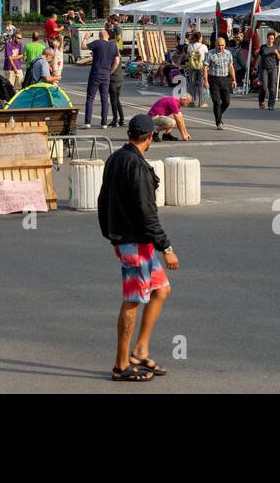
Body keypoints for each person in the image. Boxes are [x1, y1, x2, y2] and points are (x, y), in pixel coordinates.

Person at [98, 114, 178, 382]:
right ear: (149, 137)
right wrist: (166, 247)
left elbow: (103, 199)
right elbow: (147, 213)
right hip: (136, 243)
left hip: (130, 240)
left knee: (161, 290)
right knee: (132, 303)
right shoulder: (138, 167)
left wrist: (111, 236)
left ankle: (140, 350)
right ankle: (121, 365)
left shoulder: (115, 158)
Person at [84, 28, 120, 128]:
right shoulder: (113, 45)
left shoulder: (97, 43)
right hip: (106, 75)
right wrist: (110, 72)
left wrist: (85, 38)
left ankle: (88, 122)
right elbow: (117, 61)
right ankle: (104, 123)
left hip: (95, 73)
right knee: (104, 99)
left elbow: (83, 47)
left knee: (90, 98)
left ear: (102, 35)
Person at [206, 36, 237, 130]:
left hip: (224, 79)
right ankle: (219, 122)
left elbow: (230, 66)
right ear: (216, 44)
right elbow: (205, 68)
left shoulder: (228, 53)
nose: (220, 47)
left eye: (222, 45)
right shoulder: (210, 54)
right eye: (219, 45)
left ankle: (218, 113)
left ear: (225, 45)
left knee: (226, 102)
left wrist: (234, 79)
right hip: (214, 79)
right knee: (216, 102)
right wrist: (205, 81)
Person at [257, 32, 280, 110]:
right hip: (264, 68)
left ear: (274, 40)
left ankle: (271, 104)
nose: (270, 40)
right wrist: (255, 67)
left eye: (272, 39)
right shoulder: (263, 47)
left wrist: (277, 53)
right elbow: (259, 57)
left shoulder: (276, 47)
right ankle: (261, 101)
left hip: (273, 69)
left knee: (272, 87)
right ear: (267, 38)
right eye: (269, 38)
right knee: (263, 87)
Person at [185, 31, 209, 109]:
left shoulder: (190, 46)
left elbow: (188, 56)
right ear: (200, 38)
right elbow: (206, 57)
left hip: (192, 67)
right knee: (200, 85)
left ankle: (191, 101)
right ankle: (201, 102)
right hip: (201, 67)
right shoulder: (204, 46)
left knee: (192, 84)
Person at [108, 35, 127, 127]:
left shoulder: (112, 56)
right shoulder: (119, 54)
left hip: (113, 80)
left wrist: (109, 73)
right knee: (117, 100)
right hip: (120, 79)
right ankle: (122, 119)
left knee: (113, 101)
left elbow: (114, 65)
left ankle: (115, 120)